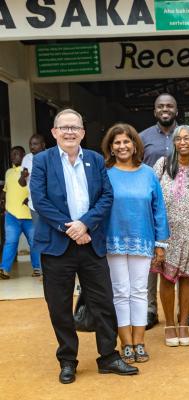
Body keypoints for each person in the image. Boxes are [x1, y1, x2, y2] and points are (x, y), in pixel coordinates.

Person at [30, 109, 138, 384]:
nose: (69, 132)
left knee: (102, 303)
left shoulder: (94, 160)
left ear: (82, 132)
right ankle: (68, 360)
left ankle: (108, 357)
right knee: (59, 306)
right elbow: (40, 201)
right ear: (54, 132)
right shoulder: (42, 161)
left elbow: (106, 196)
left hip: (91, 244)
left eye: (74, 127)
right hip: (57, 246)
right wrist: (71, 228)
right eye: (64, 127)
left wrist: (85, 225)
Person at [101, 123, 170, 363]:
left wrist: (161, 243)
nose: (122, 146)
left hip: (143, 239)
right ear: (110, 147)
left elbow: (158, 209)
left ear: (134, 144)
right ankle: (125, 343)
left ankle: (140, 341)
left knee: (139, 292)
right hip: (113, 241)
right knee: (120, 292)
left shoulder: (148, 173)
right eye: (117, 142)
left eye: (126, 141)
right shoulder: (104, 172)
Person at [139, 93, 189, 330]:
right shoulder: (143, 137)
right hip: (155, 210)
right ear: (155, 111)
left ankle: (181, 313)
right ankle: (150, 309)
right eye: (160, 106)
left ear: (176, 110)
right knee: (155, 261)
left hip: (184, 215)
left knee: (183, 265)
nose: (165, 109)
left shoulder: (186, 134)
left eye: (170, 106)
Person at [151, 125, 189, 347]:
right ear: (174, 143)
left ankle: (184, 322)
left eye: (188, 138)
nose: (183, 142)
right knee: (165, 278)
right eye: (178, 138)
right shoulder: (162, 165)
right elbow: (152, 197)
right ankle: (169, 324)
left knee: (187, 278)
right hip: (165, 234)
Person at [0, 146, 41, 279]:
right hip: (11, 214)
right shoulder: (8, 172)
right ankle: (4, 270)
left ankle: (38, 268)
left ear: (24, 155)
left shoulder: (30, 170)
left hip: (29, 214)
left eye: (17, 154)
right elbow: (6, 190)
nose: (13, 156)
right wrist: (1, 200)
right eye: (12, 154)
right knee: (10, 242)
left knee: (34, 242)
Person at [20, 134, 46, 231]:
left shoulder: (50, 156)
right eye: (30, 144)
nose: (32, 147)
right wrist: (23, 176)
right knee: (38, 232)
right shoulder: (27, 158)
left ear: (43, 145)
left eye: (35, 144)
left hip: (51, 202)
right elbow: (22, 184)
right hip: (34, 203)